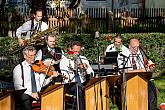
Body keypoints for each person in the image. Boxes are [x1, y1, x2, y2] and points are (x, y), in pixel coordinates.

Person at [118, 38, 158, 110]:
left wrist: (148, 69)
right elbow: (122, 70)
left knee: (151, 84)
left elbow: (143, 68)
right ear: (129, 46)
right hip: (128, 79)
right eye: (134, 47)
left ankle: (152, 108)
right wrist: (140, 70)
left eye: (138, 47)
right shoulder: (122, 55)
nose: (136, 49)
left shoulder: (139, 54)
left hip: (140, 79)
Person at [60, 41, 94, 110]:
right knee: (79, 89)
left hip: (82, 82)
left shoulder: (83, 58)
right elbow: (66, 78)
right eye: (75, 51)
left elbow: (92, 73)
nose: (77, 54)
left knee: (94, 86)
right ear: (70, 49)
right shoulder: (65, 60)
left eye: (78, 52)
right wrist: (74, 68)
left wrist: (86, 68)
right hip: (70, 84)